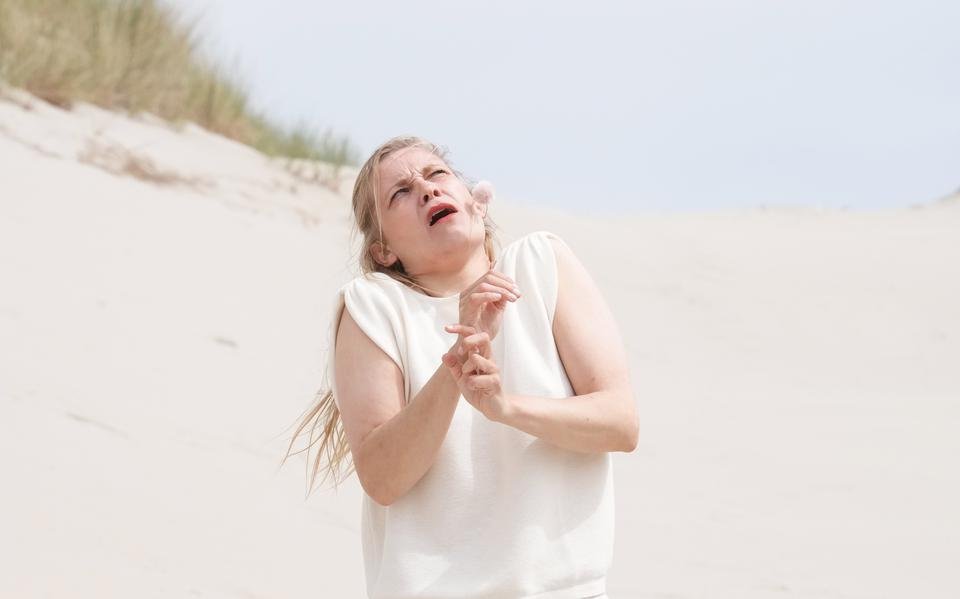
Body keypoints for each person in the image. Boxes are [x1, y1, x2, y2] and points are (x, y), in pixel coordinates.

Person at [284, 135, 638, 598]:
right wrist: (456, 364)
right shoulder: (373, 304)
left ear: (476, 201)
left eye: (436, 175)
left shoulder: (541, 263)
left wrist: (505, 407)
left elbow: (621, 424)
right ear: (383, 252)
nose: (427, 191)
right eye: (401, 193)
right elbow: (383, 478)